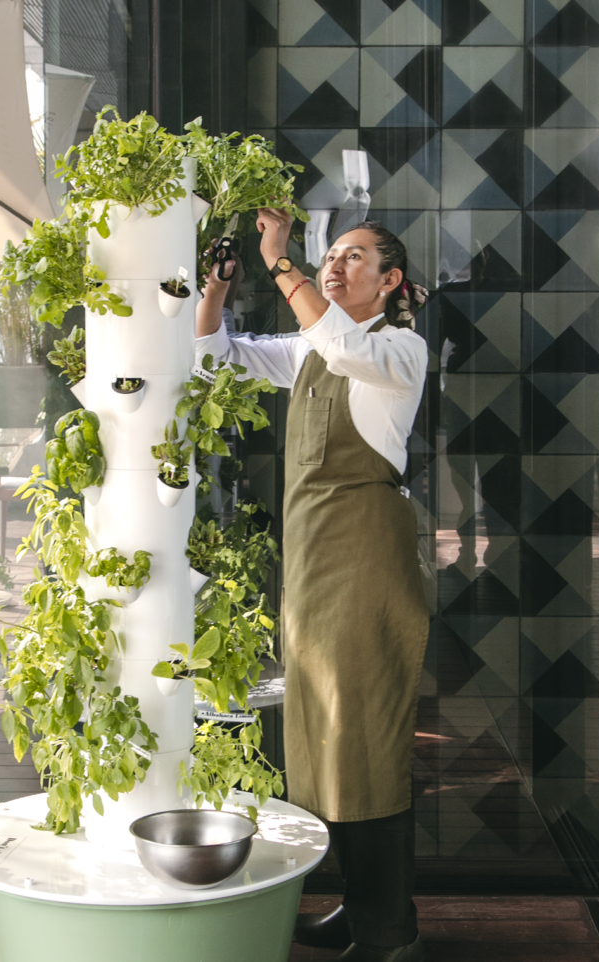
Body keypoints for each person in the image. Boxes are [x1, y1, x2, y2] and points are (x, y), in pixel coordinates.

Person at [195, 213, 430, 962]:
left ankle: (393, 935)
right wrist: (218, 286)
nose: (332, 267)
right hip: (314, 560)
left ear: (389, 282)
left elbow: (338, 341)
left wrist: (280, 260)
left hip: (364, 557)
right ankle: (361, 909)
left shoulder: (398, 348)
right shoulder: (309, 348)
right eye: (329, 256)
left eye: (352, 258)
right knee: (326, 735)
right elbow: (213, 359)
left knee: (365, 737)